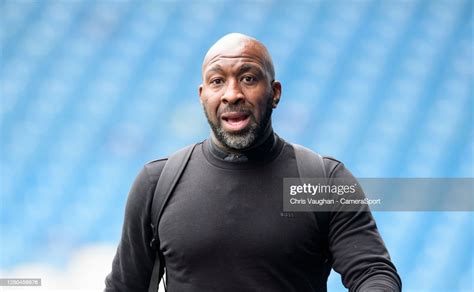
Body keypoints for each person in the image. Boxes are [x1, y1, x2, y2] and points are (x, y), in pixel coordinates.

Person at [105, 33, 401, 292]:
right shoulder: (157, 183)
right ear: (202, 95)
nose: (232, 94)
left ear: (275, 93)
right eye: (217, 81)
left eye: (248, 78)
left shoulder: (323, 181)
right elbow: (126, 286)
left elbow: (372, 273)